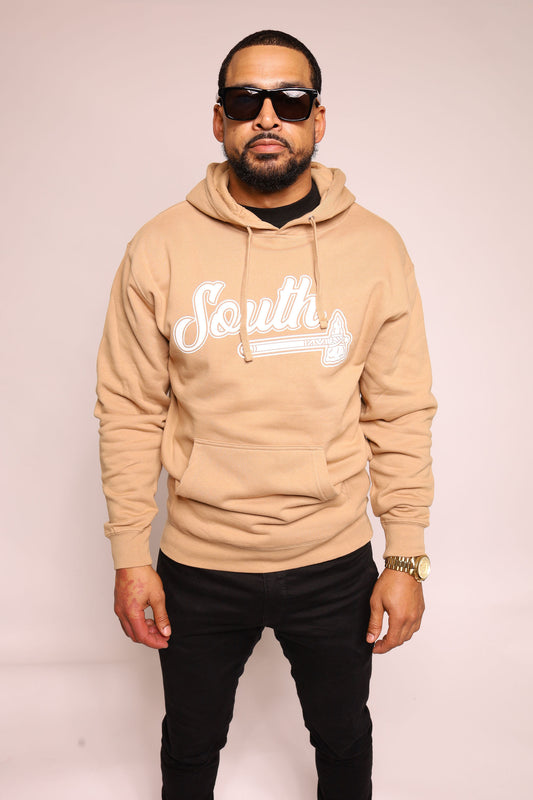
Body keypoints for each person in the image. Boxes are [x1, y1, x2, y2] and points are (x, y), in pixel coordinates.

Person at [95, 29, 437, 800]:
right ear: (219, 120)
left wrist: (406, 559)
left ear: (319, 119)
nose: (268, 116)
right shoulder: (159, 247)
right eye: (247, 100)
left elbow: (400, 412)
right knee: (189, 745)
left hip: (333, 559)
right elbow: (128, 409)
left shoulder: (376, 248)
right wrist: (128, 556)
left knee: (343, 739)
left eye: (291, 100)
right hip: (199, 562)